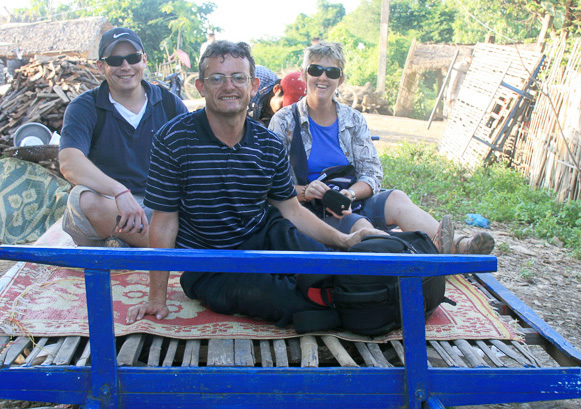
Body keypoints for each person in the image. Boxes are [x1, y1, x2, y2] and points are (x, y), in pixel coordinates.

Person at [126, 41, 383, 325]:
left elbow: (291, 210)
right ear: (200, 87)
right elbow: (163, 222)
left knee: (324, 267)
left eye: (239, 78)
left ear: (253, 85)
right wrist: (156, 297)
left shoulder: (268, 143)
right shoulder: (173, 139)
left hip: (263, 236)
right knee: (285, 300)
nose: (229, 86)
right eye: (217, 79)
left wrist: (344, 240)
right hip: (209, 263)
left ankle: (369, 292)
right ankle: (350, 310)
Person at [268, 42, 495, 255]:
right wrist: (307, 191)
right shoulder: (285, 121)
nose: (323, 78)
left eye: (332, 73)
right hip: (312, 210)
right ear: (304, 73)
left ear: (341, 79)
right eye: (316, 70)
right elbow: (272, 186)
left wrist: (350, 194)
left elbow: (372, 173)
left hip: (349, 199)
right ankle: (414, 252)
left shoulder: (353, 120)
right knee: (359, 224)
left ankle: (456, 245)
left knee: (396, 198)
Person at [58, 27, 188, 247]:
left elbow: (192, 156)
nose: (126, 66)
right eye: (116, 60)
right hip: (112, 206)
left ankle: (126, 242)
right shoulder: (84, 107)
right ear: (101, 66)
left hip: (160, 208)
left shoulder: (168, 103)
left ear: (144, 60)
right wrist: (119, 191)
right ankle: (168, 251)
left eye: (133, 58)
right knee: (84, 200)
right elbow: (69, 163)